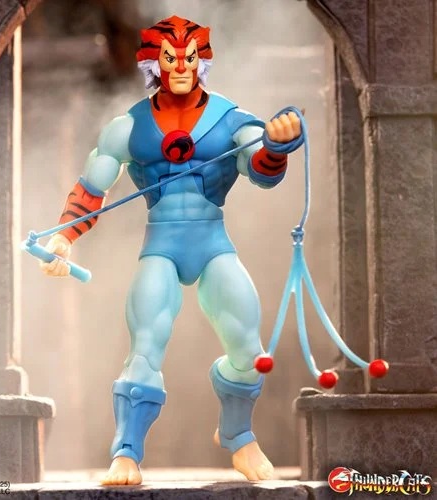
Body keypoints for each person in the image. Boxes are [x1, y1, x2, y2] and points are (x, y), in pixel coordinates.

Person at [41, 15, 302, 485]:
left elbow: (261, 168)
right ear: (154, 63)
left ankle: (238, 437)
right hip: (160, 246)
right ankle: (125, 452)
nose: (180, 66)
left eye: (189, 57)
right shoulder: (129, 128)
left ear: (201, 61)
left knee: (248, 349)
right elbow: (92, 188)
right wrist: (63, 238)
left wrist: (277, 145)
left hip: (212, 242)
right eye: (170, 57)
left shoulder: (230, 119)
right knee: (145, 346)